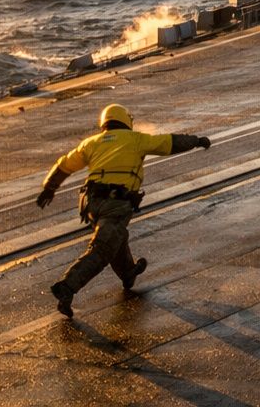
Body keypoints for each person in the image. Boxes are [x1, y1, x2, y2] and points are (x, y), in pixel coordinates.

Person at [35, 103, 212, 317]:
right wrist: (196, 141)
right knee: (101, 249)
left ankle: (129, 273)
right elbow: (169, 142)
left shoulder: (90, 143)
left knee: (114, 238)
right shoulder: (135, 139)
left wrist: (49, 188)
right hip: (116, 204)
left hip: (91, 204)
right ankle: (67, 287)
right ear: (126, 121)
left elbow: (64, 165)